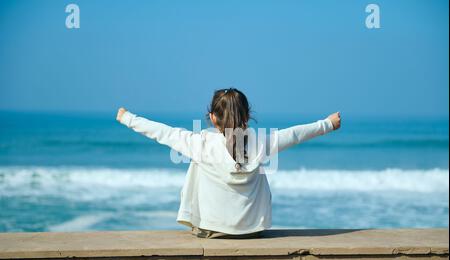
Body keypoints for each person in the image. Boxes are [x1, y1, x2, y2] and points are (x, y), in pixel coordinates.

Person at [116, 88, 341, 239]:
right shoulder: (259, 141)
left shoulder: (201, 142)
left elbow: (164, 133)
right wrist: (327, 124)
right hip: (252, 231)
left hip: (212, 230)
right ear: (247, 115)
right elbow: (294, 134)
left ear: (212, 117)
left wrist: (127, 118)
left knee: (196, 161)